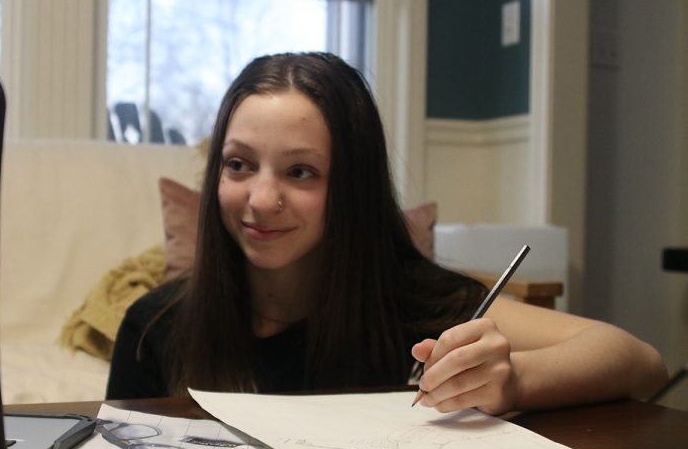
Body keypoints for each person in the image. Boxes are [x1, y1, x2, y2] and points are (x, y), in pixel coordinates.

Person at [106, 51, 668, 415]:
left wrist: (515, 380)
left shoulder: (415, 304)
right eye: (238, 165)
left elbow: (640, 361)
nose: (260, 199)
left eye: (300, 172)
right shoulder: (153, 326)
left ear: (353, 186)